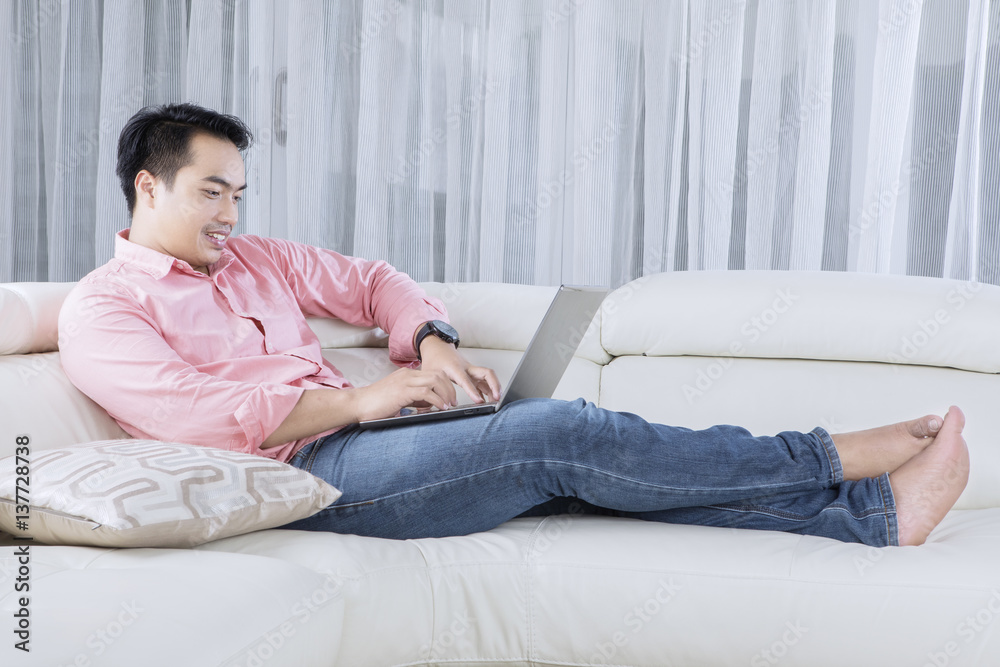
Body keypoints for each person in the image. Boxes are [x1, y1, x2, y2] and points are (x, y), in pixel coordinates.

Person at [58, 103, 970, 548]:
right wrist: (365, 399)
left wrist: (432, 343)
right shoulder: (103, 307)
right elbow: (191, 417)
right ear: (149, 184)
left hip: (377, 436)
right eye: (211, 191)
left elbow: (375, 282)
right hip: (311, 480)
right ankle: (825, 456)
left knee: (590, 476)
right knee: (564, 432)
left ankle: (870, 518)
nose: (231, 214)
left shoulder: (256, 261)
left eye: (239, 193)